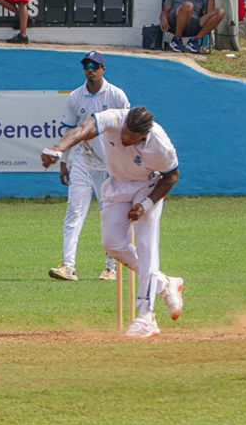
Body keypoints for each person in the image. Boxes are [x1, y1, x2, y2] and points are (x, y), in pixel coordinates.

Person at [41, 107, 185, 337]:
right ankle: (165, 283)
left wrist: (146, 204)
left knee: (147, 247)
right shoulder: (115, 119)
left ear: (144, 134)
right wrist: (58, 149)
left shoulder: (160, 145)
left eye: (131, 136)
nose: (124, 138)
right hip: (117, 184)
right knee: (112, 244)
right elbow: (83, 129)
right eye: (124, 132)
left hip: (147, 185)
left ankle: (147, 317)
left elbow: (172, 176)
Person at [49, 51, 130, 282]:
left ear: (103, 69)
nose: (90, 69)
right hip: (83, 161)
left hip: (110, 164)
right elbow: (68, 131)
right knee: (74, 211)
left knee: (110, 215)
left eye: (94, 65)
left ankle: (111, 266)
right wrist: (63, 162)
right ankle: (68, 265)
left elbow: (128, 129)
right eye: (86, 65)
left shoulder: (116, 95)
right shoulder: (76, 96)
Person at [159, 0, 225, 53]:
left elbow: (208, 15)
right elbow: (165, 10)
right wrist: (163, 17)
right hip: (175, 22)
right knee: (188, 5)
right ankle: (176, 39)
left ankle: (195, 40)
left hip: (194, 24)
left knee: (221, 11)